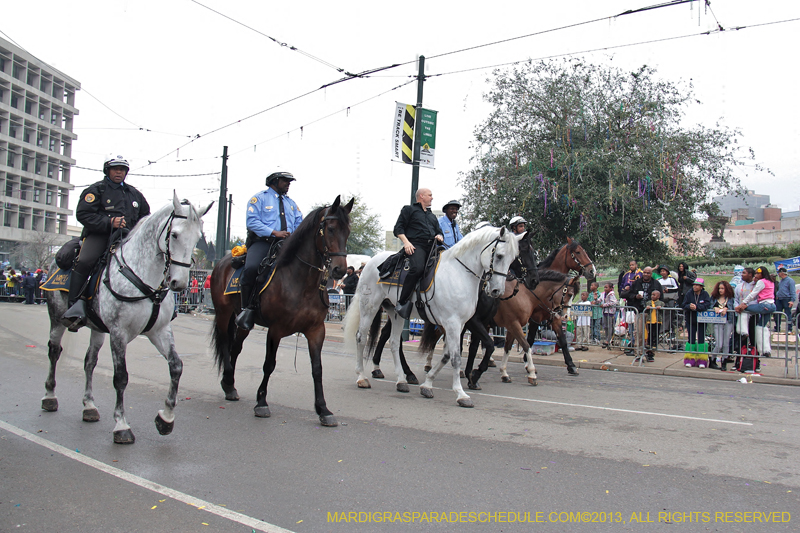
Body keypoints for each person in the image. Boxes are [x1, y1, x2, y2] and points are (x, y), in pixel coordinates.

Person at [61, 154, 150, 330]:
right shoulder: (96, 190)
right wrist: (109, 222)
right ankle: (74, 308)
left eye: (122, 169)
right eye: (115, 169)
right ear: (107, 171)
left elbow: (145, 217)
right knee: (85, 261)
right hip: (100, 235)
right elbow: (83, 215)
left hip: (128, 237)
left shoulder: (135, 194)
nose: (119, 172)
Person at [236, 171, 303, 331]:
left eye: (289, 181)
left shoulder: (291, 203)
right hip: (264, 243)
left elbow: (300, 222)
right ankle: (246, 309)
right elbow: (252, 222)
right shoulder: (259, 199)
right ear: (275, 181)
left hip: (287, 245)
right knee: (252, 268)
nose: (288, 184)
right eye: (285, 181)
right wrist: (274, 232)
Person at [393, 188, 443, 319]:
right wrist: (406, 242)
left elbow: (439, 231)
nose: (432, 198)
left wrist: (439, 235)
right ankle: (402, 302)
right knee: (417, 268)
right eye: (430, 195)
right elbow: (398, 228)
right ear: (421, 196)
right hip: (416, 246)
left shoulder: (432, 216)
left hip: (432, 247)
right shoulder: (408, 210)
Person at [735, 266, 775, 357]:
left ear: (762, 274)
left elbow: (753, 294)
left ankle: (743, 331)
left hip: (764, 305)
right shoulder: (771, 281)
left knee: (744, 310)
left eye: (758, 273)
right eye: (755, 273)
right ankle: (766, 350)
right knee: (762, 327)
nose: (756, 275)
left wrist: (743, 304)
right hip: (772, 305)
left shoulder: (761, 282)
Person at [710, 280, 735, 370]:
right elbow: (709, 305)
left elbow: (733, 307)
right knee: (719, 344)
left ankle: (724, 361)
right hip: (718, 322)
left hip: (728, 321)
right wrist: (714, 307)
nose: (720, 290)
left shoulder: (730, 298)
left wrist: (727, 309)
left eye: (723, 288)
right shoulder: (714, 298)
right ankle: (712, 360)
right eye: (719, 288)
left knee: (726, 343)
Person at [683, 278, 711, 348]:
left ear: (701, 287)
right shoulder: (689, 293)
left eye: (697, 285)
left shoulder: (705, 294)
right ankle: (690, 356)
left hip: (702, 321)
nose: (694, 286)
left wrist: (697, 307)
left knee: (701, 339)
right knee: (691, 339)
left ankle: (701, 356)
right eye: (694, 285)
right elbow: (683, 304)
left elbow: (707, 304)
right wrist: (689, 306)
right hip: (691, 320)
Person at [774, 267, 797, 334]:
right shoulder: (781, 281)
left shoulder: (790, 281)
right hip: (780, 299)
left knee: (788, 314)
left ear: (782, 273)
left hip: (787, 299)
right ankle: (777, 327)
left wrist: (792, 300)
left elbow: (792, 291)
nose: (778, 274)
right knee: (778, 314)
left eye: (779, 272)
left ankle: (789, 329)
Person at [645, 290, 664, 362]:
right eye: (652, 295)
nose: (652, 296)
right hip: (650, 321)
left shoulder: (661, 303)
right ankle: (649, 344)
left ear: (658, 296)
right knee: (650, 333)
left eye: (654, 295)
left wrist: (660, 307)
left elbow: (663, 309)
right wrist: (647, 308)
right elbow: (646, 309)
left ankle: (654, 344)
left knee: (656, 333)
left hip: (657, 321)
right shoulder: (649, 302)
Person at [600, 282, 618, 347]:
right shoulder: (603, 294)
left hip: (610, 312)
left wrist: (604, 305)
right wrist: (596, 301)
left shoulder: (611, 294)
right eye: (604, 287)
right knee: (605, 326)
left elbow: (613, 302)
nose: (605, 289)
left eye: (606, 287)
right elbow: (600, 300)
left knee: (610, 326)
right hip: (604, 312)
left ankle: (609, 339)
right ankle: (607, 338)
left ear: (610, 288)